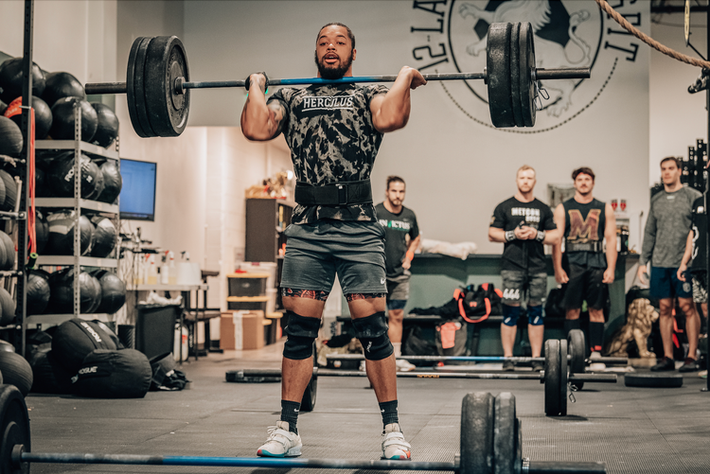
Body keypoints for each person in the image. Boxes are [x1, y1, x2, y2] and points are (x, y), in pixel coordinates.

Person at [241, 22, 426, 460]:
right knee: (299, 330)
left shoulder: (367, 93)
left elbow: (392, 117)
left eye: (340, 42)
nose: (330, 47)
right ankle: (287, 428)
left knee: (374, 329)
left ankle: (392, 429)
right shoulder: (291, 95)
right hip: (307, 225)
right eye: (323, 42)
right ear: (315, 51)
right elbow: (256, 128)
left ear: (353, 54)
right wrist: (255, 85)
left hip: (359, 225)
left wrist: (405, 77)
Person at [488, 165, 560, 372]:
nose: (526, 181)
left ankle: (537, 359)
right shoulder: (505, 206)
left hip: (537, 268)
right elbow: (492, 233)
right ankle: (508, 358)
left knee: (536, 313)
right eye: (522, 177)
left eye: (530, 178)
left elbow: (555, 237)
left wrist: (536, 234)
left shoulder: (544, 208)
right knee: (510, 313)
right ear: (517, 180)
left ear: (534, 181)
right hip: (512, 268)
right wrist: (513, 235)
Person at [638, 157, 702, 372]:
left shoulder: (694, 197)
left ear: (679, 171)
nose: (667, 172)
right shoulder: (656, 200)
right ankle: (667, 357)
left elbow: (698, 231)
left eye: (671, 168)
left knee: (687, 307)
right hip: (660, 262)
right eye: (663, 169)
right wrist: (642, 262)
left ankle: (691, 356)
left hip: (685, 263)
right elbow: (649, 233)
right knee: (664, 308)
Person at [552, 167, 617, 371]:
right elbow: (556, 240)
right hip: (571, 263)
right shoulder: (563, 208)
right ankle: (573, 352)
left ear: (593, 182)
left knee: (596, 309)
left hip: (597, 263)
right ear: (574, 183)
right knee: (572, 309)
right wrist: (557, 268)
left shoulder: (604, 208)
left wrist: (611, 268)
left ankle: (596, 353)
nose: (583, 183)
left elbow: (611, 239)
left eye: (587, 179)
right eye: (580, 179)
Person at [375, 176, 421, 372]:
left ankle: (396, 358)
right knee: (375, 317)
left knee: (396, 316)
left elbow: (416, 237)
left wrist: (409, 255)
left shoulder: (409, 215)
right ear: (387, 191)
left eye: (401, 191)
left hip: (400, 274)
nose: (398, 195)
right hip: (377, 273)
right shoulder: (376, 212)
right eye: (394, 191)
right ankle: (374, 358)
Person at [678, 195, 708, 345]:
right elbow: (693, 233)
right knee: (704, 310)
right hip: (699, 265)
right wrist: (684, 262)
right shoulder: (699, 201)